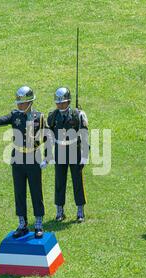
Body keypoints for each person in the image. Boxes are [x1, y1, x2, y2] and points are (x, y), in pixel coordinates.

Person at [0, 86, 47, 239]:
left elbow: (47, 137)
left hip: (33, 157)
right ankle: (22, 223)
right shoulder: (15, 116)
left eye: (22, 103)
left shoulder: (39, 117)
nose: (19, 105)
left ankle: (38, 223)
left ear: (30, 102)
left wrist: (48, 157)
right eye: (18, 103)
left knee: (36, 191)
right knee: (19, 192)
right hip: (17, 158)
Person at [47, 87, 88, 222]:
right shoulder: (53, 116)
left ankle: (80, 210)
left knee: (77, 180)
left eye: (63, 102)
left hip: (74, 150)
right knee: (59, 181)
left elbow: (84, 135)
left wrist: (85, 155)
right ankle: (60, 211)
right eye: (58, 102)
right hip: (60, 151)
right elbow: (50, 135)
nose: (60, 105)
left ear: (69, 101)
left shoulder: (78, 114)